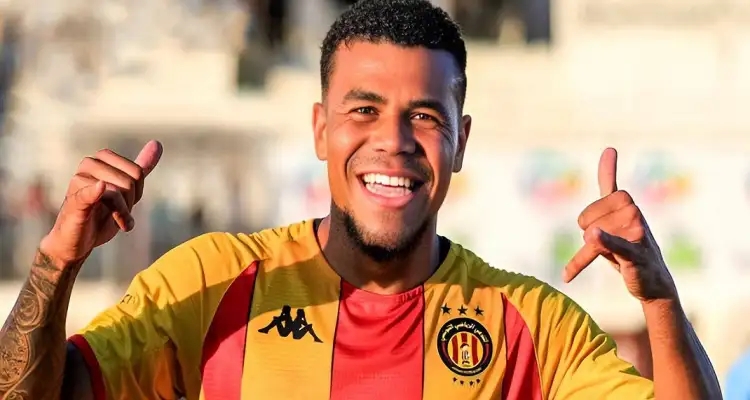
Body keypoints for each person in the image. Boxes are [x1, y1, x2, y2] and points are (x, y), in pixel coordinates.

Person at [0, 1, 722, 399]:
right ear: (320, 128)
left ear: (461, 142)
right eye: (364, 111)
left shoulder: (530, 324)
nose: (394, 142)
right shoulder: (210, 284)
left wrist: (660, 301)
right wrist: (55, 262)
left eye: (425, 116)